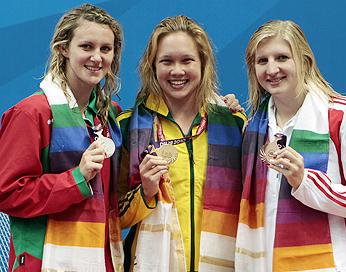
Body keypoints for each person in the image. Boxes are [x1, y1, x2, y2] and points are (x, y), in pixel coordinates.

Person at [235, 19, 346, 271]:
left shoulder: (345, 115)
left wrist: (306, 181)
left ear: (304, 60)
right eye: (262, 61)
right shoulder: (252, 128)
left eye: (282, 57)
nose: (271, 69)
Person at [0, 4, 124, 271]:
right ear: (63, 48)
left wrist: (219, 106)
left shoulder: (109, 115)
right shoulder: (31, 113)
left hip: (101, 261)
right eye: (87, 46)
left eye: (105, 49)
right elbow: (7, 192)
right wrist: (76, 178)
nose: (97, 57)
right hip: (44, 261)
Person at [118, 15, 246, 272]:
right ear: (152, 66)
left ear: (203, 63)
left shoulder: (234, 125)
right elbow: (113, 216)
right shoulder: (128, 127)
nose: (177, 71)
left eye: (187, 60)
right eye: (166, 61)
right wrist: (146, 191)